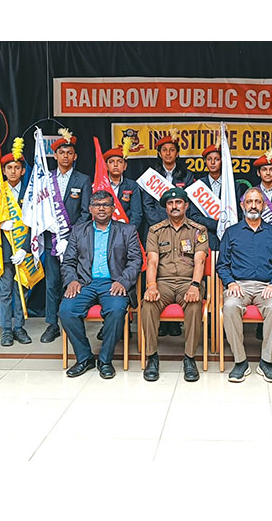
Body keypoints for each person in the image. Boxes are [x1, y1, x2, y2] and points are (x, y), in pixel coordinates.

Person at [59, 191, 143, 379]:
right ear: (90, 209)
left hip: (113, 284)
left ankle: (105, 360)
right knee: (66, 310)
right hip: (84, 284)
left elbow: (136, 260)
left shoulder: (127, 230)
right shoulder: (79, 230)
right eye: (97, 205)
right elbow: (68, 262)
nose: (101, 208)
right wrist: (72, 280)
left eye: (106, 205)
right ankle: (84, 358)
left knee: (116, 311)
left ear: (113, 208)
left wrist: (122, 281)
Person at [217, 188, 272, 383]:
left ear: (264, 206)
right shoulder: (231, 232)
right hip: (239, 286)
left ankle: (266, 362)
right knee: (230, 306)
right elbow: (222, 265)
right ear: (242, 205)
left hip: (267, 286)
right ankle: (240, 362)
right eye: (249, 201)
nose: (253, 205)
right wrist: (230, 282)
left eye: (257, 202)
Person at [140, 187, 209, 382]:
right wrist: (151, 285)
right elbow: (152, 262)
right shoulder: (155, 231)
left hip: (189, 282)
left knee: (195, 305)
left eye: (178, 202)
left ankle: (189, 357)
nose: (174, 206)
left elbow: (200, 262)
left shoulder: (198, 230)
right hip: (163, 282)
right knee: (149, 304)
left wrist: (195, 285)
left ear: (186, 206)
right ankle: (152, 357)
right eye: (170, 203)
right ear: (166, 208)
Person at [141, 130, 194, 338]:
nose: (168, 153)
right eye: (164, 150)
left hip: (182, 230)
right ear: (160, 153)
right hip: (158, 230)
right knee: (159, 267)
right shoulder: (152, 176)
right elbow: (147, 205)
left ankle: (174, 325)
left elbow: (188, 202)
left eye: (172, 150)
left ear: (177, 153)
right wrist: (164, 225)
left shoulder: (186, 175)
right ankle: (161, 323)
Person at [41, 129, 91, 344]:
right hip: (51, 239)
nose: (65, 156)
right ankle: (52, 324)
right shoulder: (46, 179)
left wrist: (70, 236)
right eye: (61, 152)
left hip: (74, 242)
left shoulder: (83, 179)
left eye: (69, 152)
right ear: (55, 156)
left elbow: (86, 211)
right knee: (52, 283)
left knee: (73, 281)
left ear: (75, 156)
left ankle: (72, 321)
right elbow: (39, 208)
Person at [0, 144, 34, 347]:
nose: (13, 171)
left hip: (22, 247)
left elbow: (34, 223)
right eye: (9, 168)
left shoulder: (30, 192)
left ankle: (19, 327)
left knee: (22, 289)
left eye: (16, 167)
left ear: (22, 170)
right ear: (3, 170)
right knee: (4, 290)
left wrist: (25, 248)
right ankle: (6, 329)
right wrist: (0, 224)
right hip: (2, 249)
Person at [189, 143, 247, 250]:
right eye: (209, 159)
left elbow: (238, 213)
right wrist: (217, 225)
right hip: (204, 237)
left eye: (216, 159)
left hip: (228, 237)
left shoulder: (232, 186)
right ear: (205, 162)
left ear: (222, 161)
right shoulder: (198, 186)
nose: (212, 162)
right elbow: (194, 216)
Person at [102, 143, 143, 231]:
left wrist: (128, 232)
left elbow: (136, 214)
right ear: (106, 166)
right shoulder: (100, 185)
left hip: (126, 231)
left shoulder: (132, 185)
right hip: (103, 230)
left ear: (125, 166)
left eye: (119, 162)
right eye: (112, 162)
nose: (115, 165)